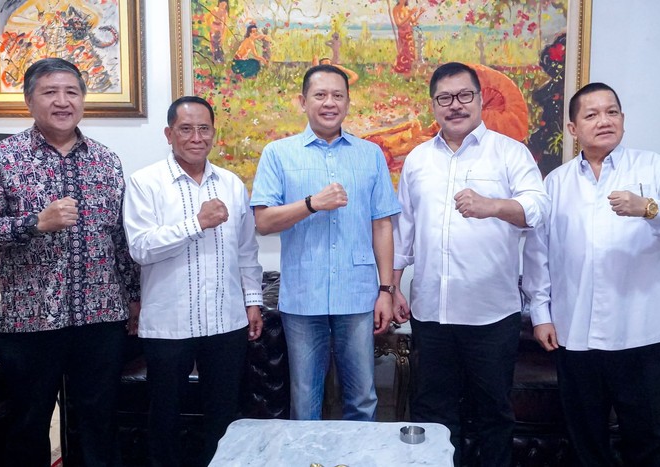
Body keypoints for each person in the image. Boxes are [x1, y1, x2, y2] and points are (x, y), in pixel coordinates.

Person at [522, 82, 660, 466]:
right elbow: (538, 253)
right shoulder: (556, 183)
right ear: (573, 128)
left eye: (612, 112)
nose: (604, 121)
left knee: (650, 440)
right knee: (586, 441)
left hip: (642, 330)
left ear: (623, 119)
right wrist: (541, 314)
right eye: (592, 114)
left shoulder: (652, 167)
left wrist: (649, 208)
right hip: (576, 332)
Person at [391, 62, 549, 465]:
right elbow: (404, 231)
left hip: (491, 314)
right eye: (445, 98)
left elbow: (537, 208)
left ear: (480, 99)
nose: (455, 105)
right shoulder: (418, 160)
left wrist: (493, 206)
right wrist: (391, 288)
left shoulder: (510, 153)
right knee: (434, 413)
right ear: (433, 105)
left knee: (493, 413)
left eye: (464, 95)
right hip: (432, 313)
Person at [0, 57, 140, 467]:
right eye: (50, 92)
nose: (62, 101)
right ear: (29, 101)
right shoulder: (2, 158)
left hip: (100, 317)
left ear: (83, 101)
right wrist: (34, 224)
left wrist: (134, 296)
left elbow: (119, 238)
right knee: (27, 425)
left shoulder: (106, 160)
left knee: (99, 423)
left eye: (71, 92)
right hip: (31, 319)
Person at [250, 64, 401, 421]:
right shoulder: (278, 153)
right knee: (305, 400)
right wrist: (311, 204)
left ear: (348, 102)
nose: (329, 103)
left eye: (337, 95)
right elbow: (263, 222)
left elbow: (382, 226)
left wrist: (386, 290)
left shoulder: (370, 154)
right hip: (304, 296)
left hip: (357, 294)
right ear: (303, 101)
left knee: (362, 397)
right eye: (320, 95)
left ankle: (357, 452)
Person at [123, 96, 264, 467]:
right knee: (164, 417)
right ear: (169, 134)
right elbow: (140, 248)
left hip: (226, 322)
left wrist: (253, 301)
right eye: (186, 129)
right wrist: (196, 223)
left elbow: (246, 251)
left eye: (204, 129)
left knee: (224, 416)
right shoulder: (145, 183)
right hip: (169, 325)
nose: (196, 137)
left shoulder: (231, 184)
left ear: (214, 133)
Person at [391, 0, 425, 75]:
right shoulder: (395, 9)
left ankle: (408, 70)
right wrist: (410, 14)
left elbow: (413, 22)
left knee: (411, 51)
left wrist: (420, 13)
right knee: (404, 51)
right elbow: (398, 23)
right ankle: (402, 69)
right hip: (402, 33)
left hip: (409, 32)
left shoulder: (407, 8)